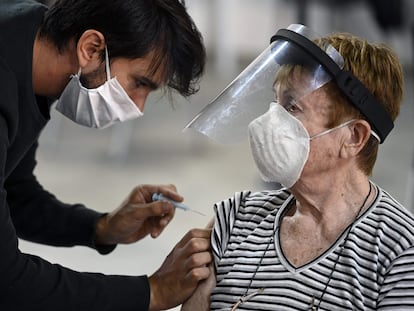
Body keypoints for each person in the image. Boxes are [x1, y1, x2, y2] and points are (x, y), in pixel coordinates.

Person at [182, 24, 414, 310]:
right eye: (274, 101)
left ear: (353, 137)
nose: (267, 121)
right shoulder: (235, 220)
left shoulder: (398, 252)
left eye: (291, 106)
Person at [0, 0, 212, 310]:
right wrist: (151, 292)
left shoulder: (28, 44)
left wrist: (101, 228)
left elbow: (14, 193)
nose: (138, 107)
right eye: (139, 83)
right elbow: (8, 282)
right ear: (91, 48)